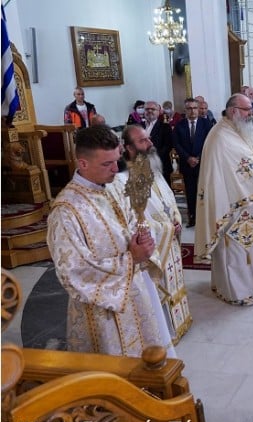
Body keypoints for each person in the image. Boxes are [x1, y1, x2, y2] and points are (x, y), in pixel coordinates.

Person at [47, 124, 166, 357]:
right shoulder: (66, 211)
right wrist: (132, 259)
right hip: (101, 313)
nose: (116, 168)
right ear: (83, 164)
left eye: (117, 159)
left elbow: (132, 220)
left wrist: (144, 237)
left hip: (133, 295)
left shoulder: (110, 188)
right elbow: (73, 271)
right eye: (106, 163)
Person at [194, 93, 253, 306]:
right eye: (247, 110)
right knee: (238, 250)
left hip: (252, 203)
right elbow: (223, 176)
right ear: (234, 111)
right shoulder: (220, 137)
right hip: (234, 207)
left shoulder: (241, 130)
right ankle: (238, 290)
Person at [110, 125, 190, 348]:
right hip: (154, 244)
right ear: (128, 148)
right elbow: (134, 219)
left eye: (149, 139)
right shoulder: (121, 181)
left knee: (173, 281)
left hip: (169, 238)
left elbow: (169, 201)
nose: (150, 144)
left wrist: (176, 219)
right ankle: (164, 330)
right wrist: (166, 229)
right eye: (142, 141)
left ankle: (179, 321)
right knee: (158, 289)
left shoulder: (153, 169)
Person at [172, 98, 211, 227]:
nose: (192, 111)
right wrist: (188, 158)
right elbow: (177, 144)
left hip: (203, 163)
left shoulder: (206, 124)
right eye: (189, 108)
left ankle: (205, 217)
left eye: (195, 108)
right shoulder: (180, 125)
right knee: (190, 192)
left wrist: (198, 157)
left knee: (204, 191)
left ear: (198, 109)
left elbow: (209, 143)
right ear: (185, 110)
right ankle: (192, 217)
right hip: (187, 164)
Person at [143, 100, 174, 182]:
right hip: (142, 166)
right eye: (147, 109)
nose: (149, 111)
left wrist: (152, 158)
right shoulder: (138, 126)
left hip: (160, 164)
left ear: (159, 112)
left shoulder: (165, 127)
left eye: (153, 109)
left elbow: (168, 146)